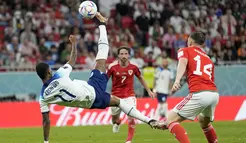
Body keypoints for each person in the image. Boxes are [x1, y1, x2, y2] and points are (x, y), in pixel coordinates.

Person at [36, 13, 164, 143]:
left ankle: (102, 23)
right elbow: (72, 59)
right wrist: (74, 44)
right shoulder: (60, 74)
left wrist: (46, 142)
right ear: (49, 71)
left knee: (101, 65)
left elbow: (46, 121)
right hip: (93, 95)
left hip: (90, 91)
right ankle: (150, 121)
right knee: (116, 95)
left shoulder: (43, 97)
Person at [163, 31, 219, 143]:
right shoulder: (208, 58)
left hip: (199, 93)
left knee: (170, 120)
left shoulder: (185, 50)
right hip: (214, 94)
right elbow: (211, 79)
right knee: (204, 122)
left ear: (191, 40)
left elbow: (182, 62)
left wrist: (177, 80)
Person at [107, 46, 155, 143]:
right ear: (118, 55)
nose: (124, 56)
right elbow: (105, 80)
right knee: (114, 120)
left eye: (125, 54)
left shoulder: (133, 67)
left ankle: (129, 140)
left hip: (129, 96)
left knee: (131, 116)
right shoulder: (112, 67)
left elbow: (141, 78)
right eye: (122, 54)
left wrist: (149, 91)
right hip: (115, 96)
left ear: (128, 55)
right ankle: (118, 122)